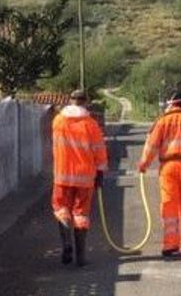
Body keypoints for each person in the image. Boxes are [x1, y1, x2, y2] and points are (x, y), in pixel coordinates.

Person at [138, 91, 181, 257]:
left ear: (170, 103)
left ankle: (170, 243)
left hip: (168, 167)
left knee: (169, 204)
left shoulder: (162, 122)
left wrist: (143, 164)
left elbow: (151, 146)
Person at [52, 89, 108, 267]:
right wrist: (100, 172)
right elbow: (99, 151)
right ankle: (81, 256)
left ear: (70, 100)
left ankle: (66, 242)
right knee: (81, 213)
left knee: (61, 208)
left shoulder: (58, 121)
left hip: (62, 175)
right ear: (86, 101)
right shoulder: (91, 124)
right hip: (85, 176)